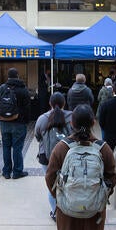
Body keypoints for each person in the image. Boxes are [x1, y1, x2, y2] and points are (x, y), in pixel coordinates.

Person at [45, 104, 116, 230]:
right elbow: (112, 177)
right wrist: (99, 198)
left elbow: (50, 177)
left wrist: (62, 198)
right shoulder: (103, 148)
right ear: (94, 122)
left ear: (72, 123)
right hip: (95, 212)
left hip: (67, 211)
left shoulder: (61, 148)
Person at [35, 92, 73, 221]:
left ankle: (55, 213)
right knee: (68, 184)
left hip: (47, 157)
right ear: (64, 103)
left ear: (50, 103)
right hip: (68, 158)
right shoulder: (72, 116)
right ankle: (68, 210)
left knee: (52, 186)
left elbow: (37, 136)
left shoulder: (42, 118)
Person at [0, 68, 30, 179]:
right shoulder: (23, 90)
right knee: (17, 148)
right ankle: (17, 171)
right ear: (18, 76)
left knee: (6, 147)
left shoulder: (1, 89)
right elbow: (28, 107)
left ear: (8, 76)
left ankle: (6, 171)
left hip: (4, 123)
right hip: (19, 123)